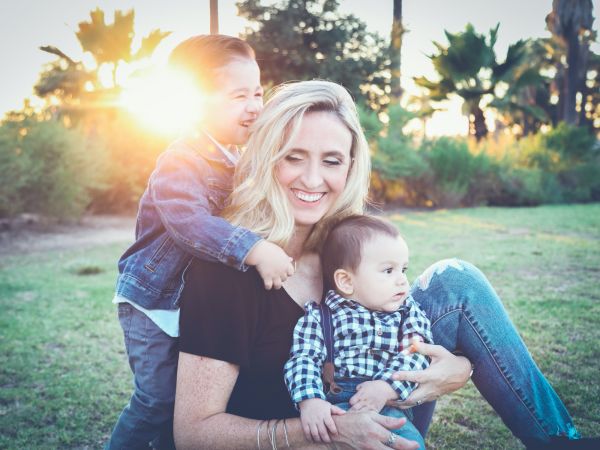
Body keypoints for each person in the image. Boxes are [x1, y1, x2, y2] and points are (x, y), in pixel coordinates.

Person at [174, 79, 583, 450]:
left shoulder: (346, 245)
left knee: (456, 283)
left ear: (351, 167)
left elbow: (402, 332)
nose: (313, 179)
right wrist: (324, 434)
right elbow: (193, 433)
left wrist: (460, 368)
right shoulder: (229, 269)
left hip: (380, 414)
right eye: (293, 157)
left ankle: (560, 442)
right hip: (309, 438)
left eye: (331, 160)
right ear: (265, 158)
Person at [105, 35, 295, 450]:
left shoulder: (236, 158)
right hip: (153, 303)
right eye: (239, 95)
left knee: (186, 402)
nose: (254, 105)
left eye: (258, 92)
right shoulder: (181, 159)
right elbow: (188, 222)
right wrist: (253, 248)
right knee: (156, 399)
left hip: (189, 301)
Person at [285, 214, 432, 450]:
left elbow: (417, 352)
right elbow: (303, 359)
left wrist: (386, 387)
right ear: (345, 281)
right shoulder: (321, 316)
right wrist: (310, 400)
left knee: (410, 444)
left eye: (403, 269)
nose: (403, 281)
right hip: (335, 410)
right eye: (388, 271)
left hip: (388, 407)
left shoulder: (407, 311)